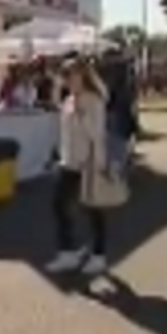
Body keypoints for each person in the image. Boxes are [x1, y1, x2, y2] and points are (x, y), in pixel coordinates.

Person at [45, 58, 119, 276]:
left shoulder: (94, 100)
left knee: (93, 209)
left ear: (83, 76)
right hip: (69, 161)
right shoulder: (69, 99)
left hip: (88, 163)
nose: (69, 80)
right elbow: (62, 121)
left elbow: (96, 134)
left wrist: (80, 113)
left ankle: (99, 256)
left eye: (72, 75)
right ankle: (67, 252)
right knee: (59, 205)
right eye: (66, 76)